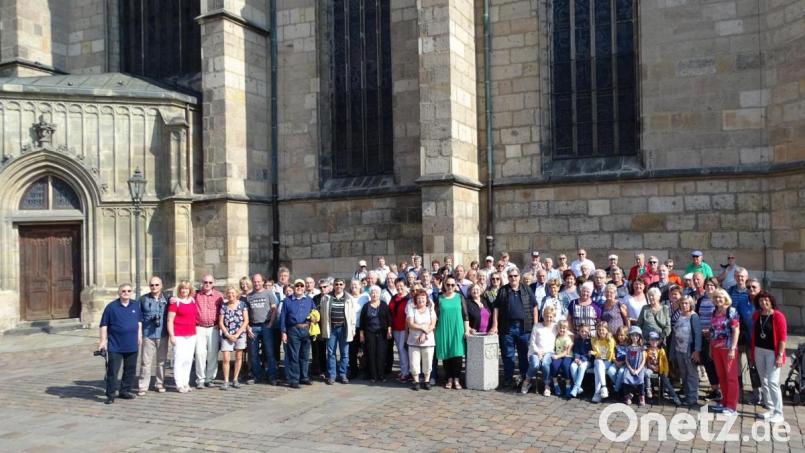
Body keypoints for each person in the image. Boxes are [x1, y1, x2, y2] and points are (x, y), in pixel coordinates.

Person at [489, 268, 538, 388]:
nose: (513, 278)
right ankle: (508, 378)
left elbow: (535, 306)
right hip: (507, 327)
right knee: (508, 354)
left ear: (519, 276)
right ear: (507, 277)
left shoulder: (527, 289)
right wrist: (495, 325)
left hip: (524, 328)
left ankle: (524, 379)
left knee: (524, 354)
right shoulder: (503, 290)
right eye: (510, 276)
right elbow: (496, 308)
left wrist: (535, 325)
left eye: (515, 276)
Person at [98, 283, 142, 404]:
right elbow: (104, 325)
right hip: (115, 345)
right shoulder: (111, 307)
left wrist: (139, 337)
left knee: (130, 370)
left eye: (128, 291)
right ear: (119, 293)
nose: (126, 293)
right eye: (123, 291)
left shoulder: (136, 305)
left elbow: (139, 322)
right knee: (113, 371)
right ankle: (110, 395)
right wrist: (103, 341)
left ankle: (125, 391)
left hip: (132, 344)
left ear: (131, 292)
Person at [750, 291, 788, 424]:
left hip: (773, 352)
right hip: (759, 351)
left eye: (766, 300)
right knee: (764, 381)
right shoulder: (757, 315)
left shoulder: (778, 316)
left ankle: (779, 412)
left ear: (771, 301)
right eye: (761, 301)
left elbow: (783, 338)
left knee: (772, 382)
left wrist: (780, 355)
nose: (764, 303)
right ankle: (770, 408)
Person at [728, 267, 761, 403]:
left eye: (754, 287)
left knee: (753, 367)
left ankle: (757, 393)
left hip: (755, 341)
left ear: (759, 288)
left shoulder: (763, 302)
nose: (751, 289)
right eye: (749, 287)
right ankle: (739, 391)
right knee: (737, 367)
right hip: (740, 338)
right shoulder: (742, 303)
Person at [320, 278, 358, 385]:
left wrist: (353, 329)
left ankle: (343, 374)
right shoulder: (326, 298)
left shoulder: (349, 298)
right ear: (333, 285)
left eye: (341, 284)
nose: (338, 286)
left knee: (344, 353)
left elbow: (352, 316)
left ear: (344, 285)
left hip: (344, 328)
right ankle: (332, 375)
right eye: (336, 284)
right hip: (331, 328)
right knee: (331, 353)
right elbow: (323, 314)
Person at [280, 279, 317, 389]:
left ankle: (304, 377)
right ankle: (294, 379)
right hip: (293, 330)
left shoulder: (309, 300)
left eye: (302, 286)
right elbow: (283, 317)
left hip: (306, 329)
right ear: (294, 287)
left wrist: (315, 318)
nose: (299, 288)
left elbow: (315, 312)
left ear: (304, 287)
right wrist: (283, 332)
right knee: (294, 356)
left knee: (305, 355)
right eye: (297, 286)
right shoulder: (287, 301)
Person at [709, 288, 740, 416]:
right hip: (716, 348)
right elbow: (712, 332)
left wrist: (733, 348)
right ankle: (724, 401)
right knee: (721, 376)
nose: (718, 299)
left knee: (731, 377)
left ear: (725, 298)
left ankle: (732, 406)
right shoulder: (714, 311)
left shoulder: (731, 311)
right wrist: (711, 348)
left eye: (721, 297)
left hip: (728, 348)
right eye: (716, 297)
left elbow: (736, 330)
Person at [245, 273, 279, 385]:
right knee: (253, 353)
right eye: (255, 281)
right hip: (253, 326)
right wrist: (248, 327)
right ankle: (257, 376)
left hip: (266, 326)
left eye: (259, 281)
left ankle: (272, 376)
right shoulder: (249, 296)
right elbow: (246, 313)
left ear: (263, 282)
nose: (257, 283)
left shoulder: (269, 293)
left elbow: (274, 309)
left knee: (269, 352)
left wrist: (270, 323)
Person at [435, 276, 468, 390]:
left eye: (452, 285)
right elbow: (435, 316)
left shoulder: (459, 297)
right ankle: (449, 378)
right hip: (443, 329)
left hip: (457, 329)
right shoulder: (440, 298)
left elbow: (465, 315)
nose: (450, 287)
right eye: (448, 285)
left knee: (457, 354)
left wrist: (467, 330)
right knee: (446, 354)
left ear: (456, 286)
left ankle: (457, 379)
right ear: (444, 285)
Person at [137, 276, 168, 396]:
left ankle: (159, 383)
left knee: (161, 361)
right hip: (148, 334)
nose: (154, 287)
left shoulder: (167, 298)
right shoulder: (143, 299)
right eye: (152, 285)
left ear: (161, 285)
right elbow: (138, 317)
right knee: (146, 362)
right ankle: (143, 386)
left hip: (163, 334)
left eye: (156, 285)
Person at [167, 280, 198, 393]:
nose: (184, 290)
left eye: (186, 288)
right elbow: (170, 320)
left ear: (190, 290)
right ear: (179, 289)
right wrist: (172, 335)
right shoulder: (175, 302)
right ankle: (179, 383)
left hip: (191, 335)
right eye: (182, 288)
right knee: (179, 359)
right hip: (179, 334)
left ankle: (186, 382)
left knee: (188, 359)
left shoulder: (193, 300)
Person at [671, 296, 702, 407]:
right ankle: (687, 395)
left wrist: (697, 351)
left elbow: (698, 335)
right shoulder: (679, 316)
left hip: (689, 350)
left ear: (690, 304)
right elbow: (675, 333)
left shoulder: (694, 317)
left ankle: (693, 398)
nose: (684, 305)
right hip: (679, 349)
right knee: (684, 374)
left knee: (691, 374)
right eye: (682, 303)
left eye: (686, 303)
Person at [194, 274, 224, 389]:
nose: (207, 284)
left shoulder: (219, 296)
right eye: (205, 282)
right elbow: (183, 296)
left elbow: (224, 310)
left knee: (212, 354)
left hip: (213, 328)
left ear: (213, 283)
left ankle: (210, 378)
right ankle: (200, 379)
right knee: (200, 354)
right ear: (202, 283)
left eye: (210, 282)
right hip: (199, 327)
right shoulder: (196, 295)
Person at [359, 285, 392, 383]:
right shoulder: (366, 306)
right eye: (372, 292)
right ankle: (373, 376)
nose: (374, 294)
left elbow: (389, 319)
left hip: (382, 333)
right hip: (370, 333)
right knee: (371, 354)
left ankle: (381, 375)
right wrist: (361, 334)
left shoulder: (383, 305)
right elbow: (362, 321)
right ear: (370, 294)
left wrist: (389, 330)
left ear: (379, 294)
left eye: (376, 292)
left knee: (381, 354)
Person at [522, 306, 557, 396]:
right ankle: (527, 381)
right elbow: (532, 342)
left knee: (545, 364)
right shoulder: (537, 326)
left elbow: (566, 332)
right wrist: (538, 352)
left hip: (549, 352)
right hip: (535, 351)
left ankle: (547, 385)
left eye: (551, 317)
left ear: (553, 317)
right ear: (543, 316)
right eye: (546, 316)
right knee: (535, 364)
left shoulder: (555, 327)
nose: (548, 319)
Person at [219, 287, 249, 389]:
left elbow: (246, 321)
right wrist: (227, 334)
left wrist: (237, 334)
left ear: (236, 294)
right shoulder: (224, 306)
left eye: (233, 293)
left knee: (238, 357)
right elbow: (220, 322)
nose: (231, 295)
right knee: (226, 358)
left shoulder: (242, 305)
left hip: (239, 335)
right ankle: (226, 380)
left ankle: (235, 379)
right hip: (226, 335)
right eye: (229, 293)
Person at [407, 290, 437, 391]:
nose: (421, 300)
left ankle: (426, 381)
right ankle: (416, 381)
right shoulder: (412, 308)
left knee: (428, 361)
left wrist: (424, 333)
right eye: (419, 298)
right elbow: (411, 323)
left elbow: (432, 324)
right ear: (415, 300)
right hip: (413, 340)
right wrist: (422, 328)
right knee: (414, 362)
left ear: (426, 299)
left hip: (428, 340)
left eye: (423, 298)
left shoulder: (430, 309)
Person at [644, 331, 681, 405]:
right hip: (651, 371)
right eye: (652, 339)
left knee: (666, 381)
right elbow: (645, 361)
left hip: (660, 372)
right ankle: (648, 390)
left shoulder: (661, 351)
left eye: (655, 339)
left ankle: (675, 396)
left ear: (658, 341)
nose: (654, 341)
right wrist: (650, 366)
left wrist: (666, 372)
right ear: (649, 340)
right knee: (646, 373)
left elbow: (665, 363)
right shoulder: (647, 351)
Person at [389, 278, 412, 381]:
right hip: (395, 328)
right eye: (397, 286)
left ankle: (406, 373)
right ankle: (404, 370)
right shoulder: (394, 298)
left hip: (405, 329)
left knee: (403, 350)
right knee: (400, 350)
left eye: (401, 285)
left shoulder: (409, 298)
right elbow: (389, 312)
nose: (399, 288)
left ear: (405, 286)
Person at [348, 279, 370, 379]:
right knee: (352, 351)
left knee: (365, 350)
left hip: (364, 328)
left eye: (356, 284)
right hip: (351, 329)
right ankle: (353, 371)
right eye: (352, 285)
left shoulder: (365, 296)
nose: (354, 286)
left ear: (360, 286)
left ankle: (366, 371)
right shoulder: (347, 297)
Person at [591, 320, 616, 403]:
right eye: (599, 330)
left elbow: (609, 356)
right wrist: (594, 353)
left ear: (607, 330)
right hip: (598, 361)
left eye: (603, 330)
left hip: (607, 362)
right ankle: (604, 387)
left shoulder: (611, 340)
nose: (601, 332)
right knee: (598, 362)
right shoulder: (594, 339)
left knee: (597, 369)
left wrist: (609, 342)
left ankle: (597, 393)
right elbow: (596, 353)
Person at [623, 326, 646, 406]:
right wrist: (631, 369)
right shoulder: (628, 347)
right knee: (626, 377)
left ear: (639, 336)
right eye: (633, 335)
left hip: (639, 367)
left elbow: (643, 360)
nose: (635, 337)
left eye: (637, 335)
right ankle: (627, 396)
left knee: (640, 378)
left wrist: (638, 370)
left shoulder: (642, 347)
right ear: (630, 336)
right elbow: (626, 360)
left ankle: (641, 396)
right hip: (630, 367)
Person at [549, 320, 573, 397]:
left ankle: (568, 386)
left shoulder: (568, 338)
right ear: (557, 328)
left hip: (566, 356)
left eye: (564, 328)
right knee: (554, 365)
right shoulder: (556, 337)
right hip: (558, 355)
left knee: (566, 366)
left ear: (567, 329)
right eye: (560, 328)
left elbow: (566, 352)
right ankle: (556, 385)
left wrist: (557, 356)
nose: (562, 330)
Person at [568, 324, 593, 398]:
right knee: (572, 366)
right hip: (578, 359)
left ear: (589, 332)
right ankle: (578, 387)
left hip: (587, 361)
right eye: (582, 331)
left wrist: (582, 360)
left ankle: (575, 388)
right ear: (579, 332)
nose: (584, 333)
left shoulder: (590, 341)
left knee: (582, 367)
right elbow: (576, 351)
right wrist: (576, 358)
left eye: (586, 331)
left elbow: (589, 354)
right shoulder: (577, 341)